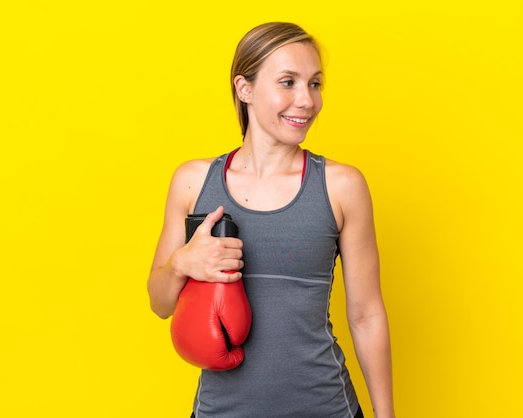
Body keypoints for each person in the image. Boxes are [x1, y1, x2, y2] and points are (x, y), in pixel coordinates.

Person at [147, 22, 396, 418]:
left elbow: (366, 315)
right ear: (244, 89)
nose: (306, 101)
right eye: (288, 82)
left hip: (326, 406)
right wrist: (183, 264)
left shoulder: (342, 186)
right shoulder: (193, 182)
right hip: (221, 410)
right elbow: (160, 303)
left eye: (315, 84)